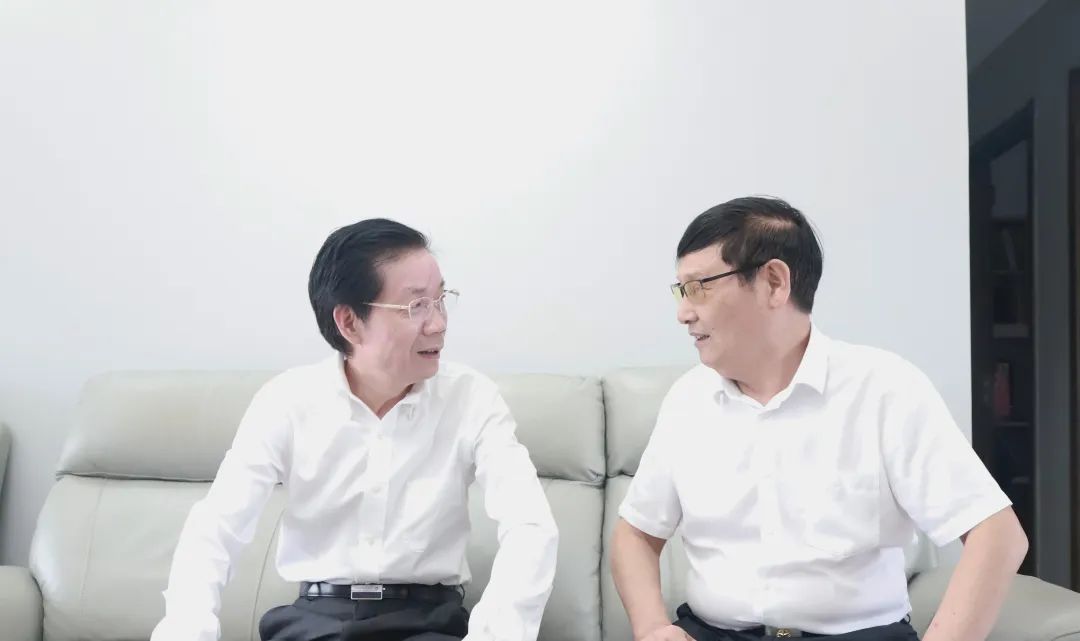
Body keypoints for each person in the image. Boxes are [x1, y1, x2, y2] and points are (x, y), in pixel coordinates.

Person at [611, 196, 1028, 641]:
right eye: (681, 291)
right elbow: (635, 534)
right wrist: (653, 628)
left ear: (774, 282)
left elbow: (997, 534)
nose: (683, 313)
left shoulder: (884, 389)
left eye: (699, 287)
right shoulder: (689, 400)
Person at [151, 218, 558, 641]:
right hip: (314, 623)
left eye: (441, 300)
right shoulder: (287, 401)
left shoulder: (472, 398)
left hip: (429, 622)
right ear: (349, 322)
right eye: (417, 306)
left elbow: (530, 527)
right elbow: (217, 528)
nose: (438, 323)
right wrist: (187, 629)